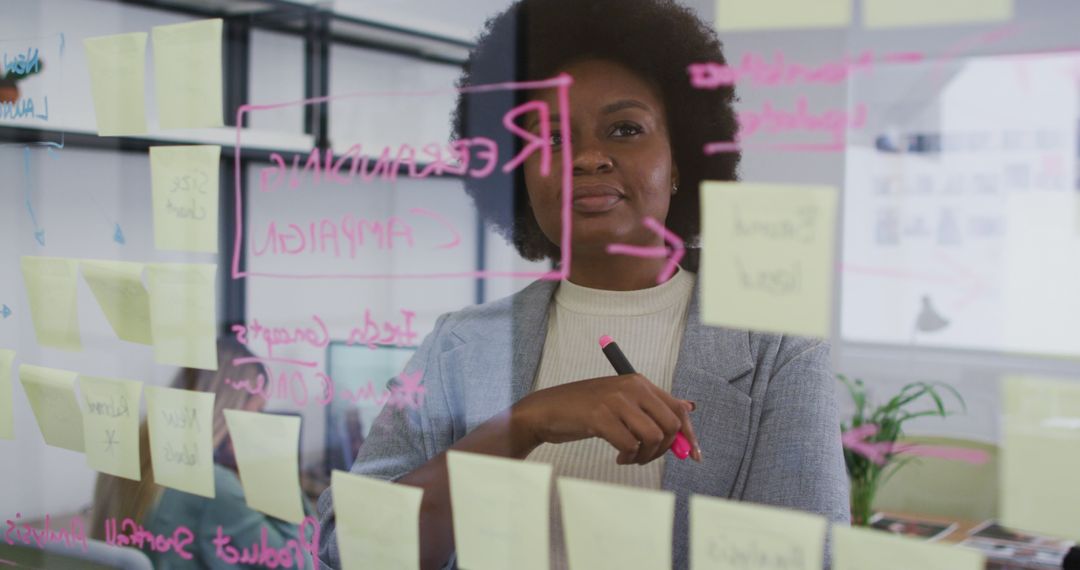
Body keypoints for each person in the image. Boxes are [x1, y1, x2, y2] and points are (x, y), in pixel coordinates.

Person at [318, 0, 849, 568]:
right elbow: (350, 550)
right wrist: (526, 423)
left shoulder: (778, 352)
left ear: (678, 163)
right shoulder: (456, 346)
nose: (588, 157)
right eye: (549, 139)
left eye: (625, 129)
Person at [90, 338, 315, 569]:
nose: (260, 422)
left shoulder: (127, 451)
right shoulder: (212, 487)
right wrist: (274, 476)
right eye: (258, 410)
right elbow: (302, 564)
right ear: (232, 407)